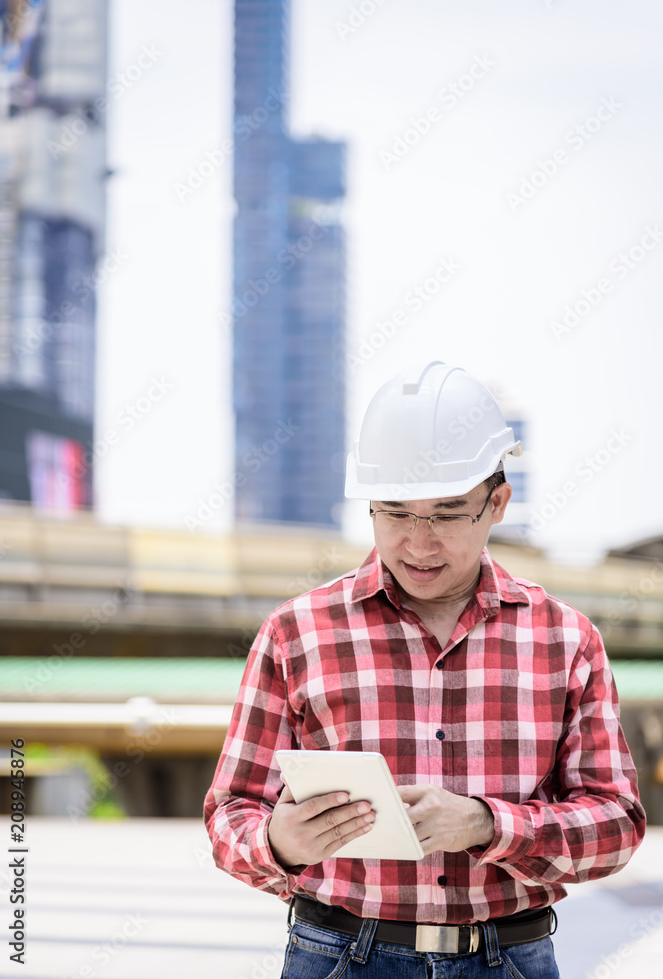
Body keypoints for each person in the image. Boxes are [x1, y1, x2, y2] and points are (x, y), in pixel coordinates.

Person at [204, 361, 645, 978]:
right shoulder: (296, 632)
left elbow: (617, 823)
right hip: (338, 956)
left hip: (508, 958)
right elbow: (230, 813)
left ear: (497, 503)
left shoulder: (564, 639)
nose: (419, 542)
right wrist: (276, 844)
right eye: (395, 512)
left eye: (444, 512)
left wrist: (489, 824)